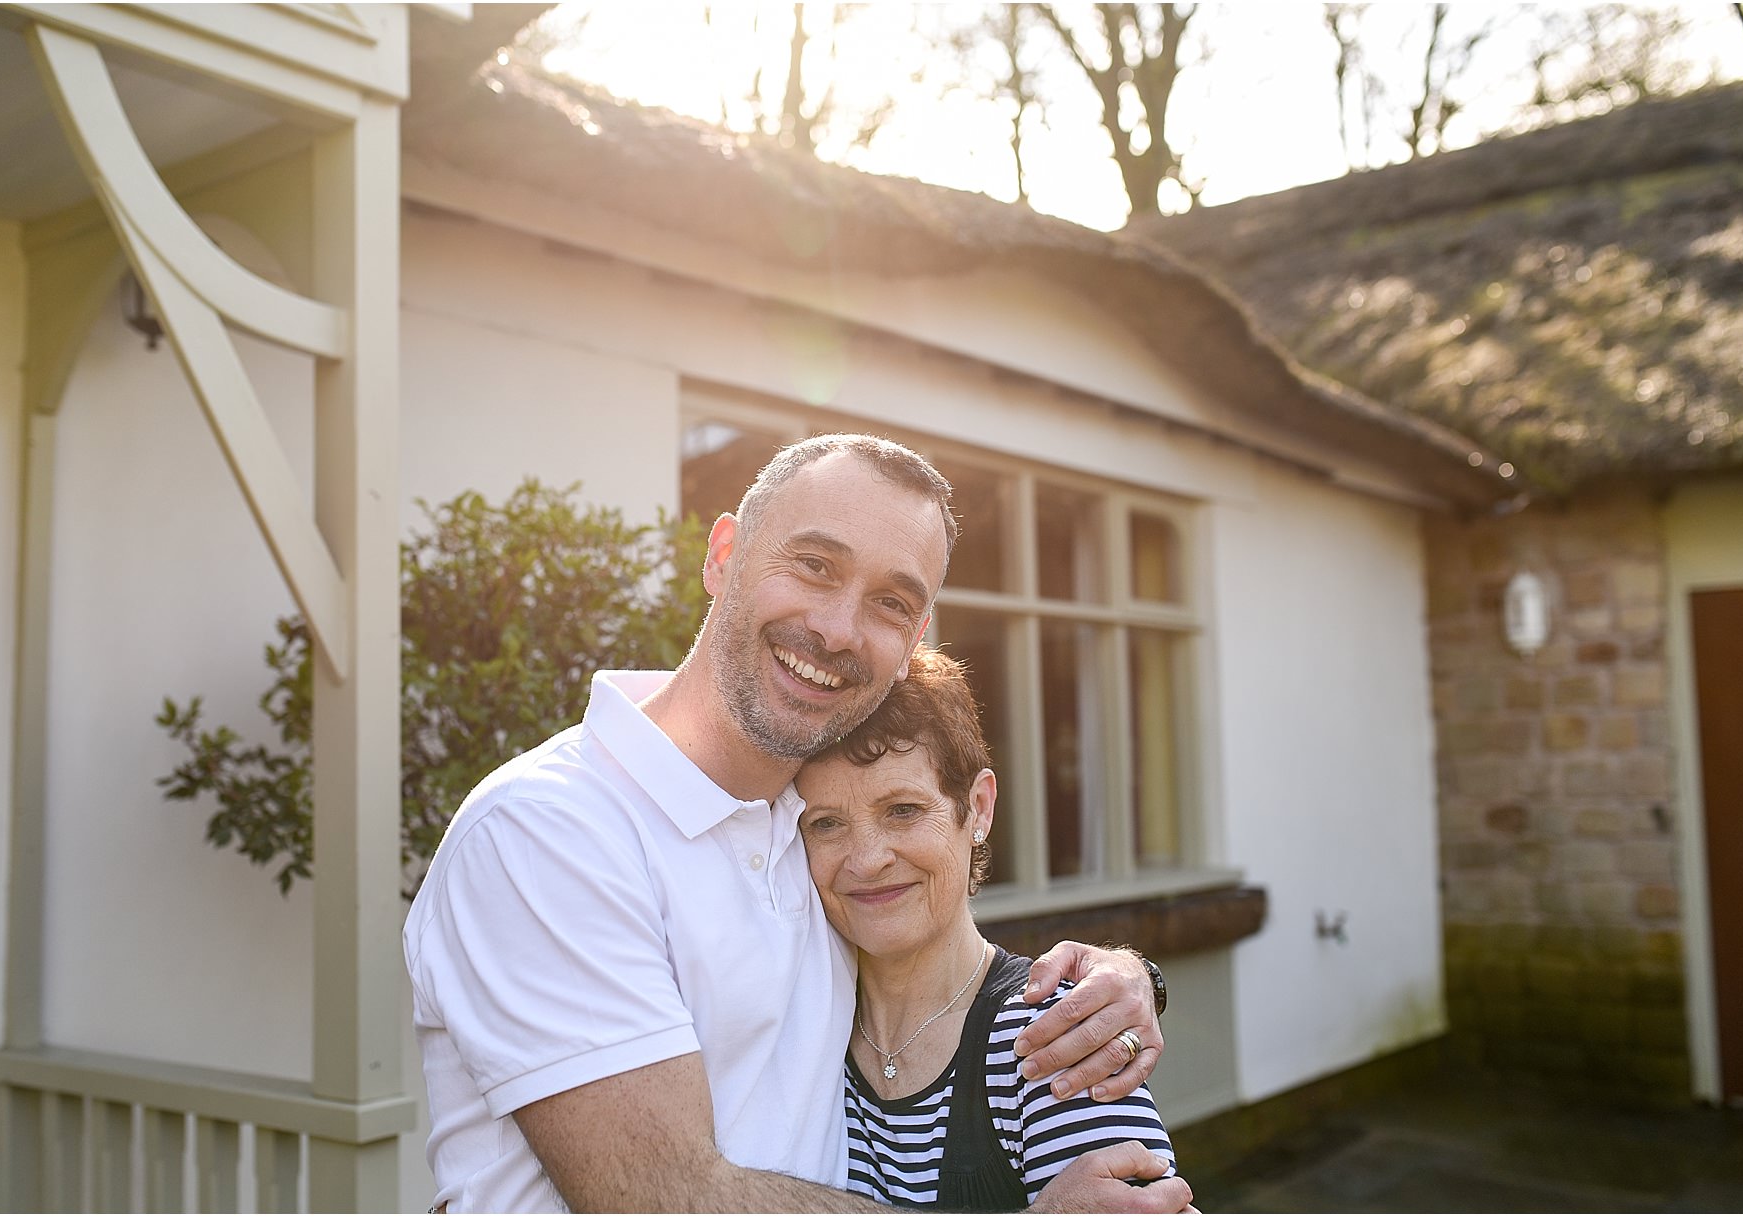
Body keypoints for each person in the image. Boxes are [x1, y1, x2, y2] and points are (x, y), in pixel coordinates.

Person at [404, 434, 1191, 1212]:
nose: (839, 629)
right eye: (815, 565)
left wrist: (1124, 979)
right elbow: (667, 1200)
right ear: (723, 555)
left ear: (913, 638)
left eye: (892, 601)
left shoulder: (803, 818)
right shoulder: (546, 829)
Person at [799, 647, 1179, 1210]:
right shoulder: (799, 1031)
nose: (866, 859)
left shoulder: (1052, 1040)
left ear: (977, 807)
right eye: (826, 823)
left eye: (902, 809)